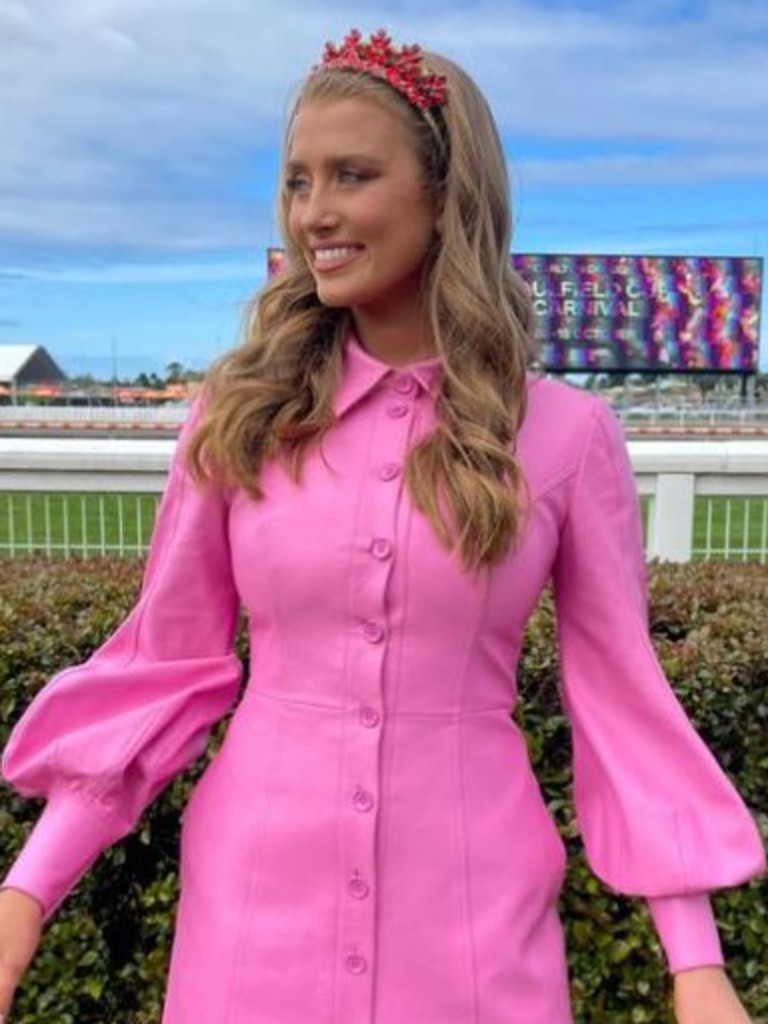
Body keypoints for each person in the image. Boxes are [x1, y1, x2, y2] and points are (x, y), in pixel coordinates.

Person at [0, 28, 764, 1024]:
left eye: (352, 175)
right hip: (250, 922)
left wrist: (694, 960)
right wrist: (25, 897)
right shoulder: (238, 417)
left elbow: (621, 697)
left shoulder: (570, 437)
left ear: (446, 196)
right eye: (297, 181)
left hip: (477, 925)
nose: (315, 212)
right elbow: (166, 663)